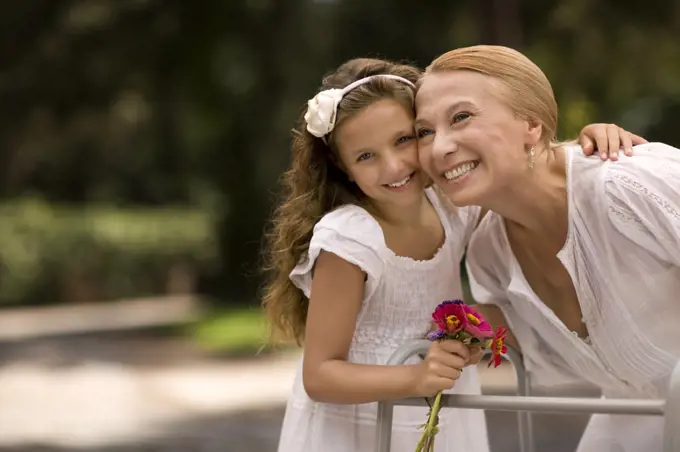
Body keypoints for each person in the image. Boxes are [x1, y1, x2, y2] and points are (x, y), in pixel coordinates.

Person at [262, 56, 641, 452]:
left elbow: (518, 170)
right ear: (343, 166)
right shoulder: (350, 240)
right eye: (366, 156)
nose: (393, 166)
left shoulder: (451, 205)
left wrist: (585, 146)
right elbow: (321, 376)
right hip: (361, 424)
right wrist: (416, 377)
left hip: (443, 408)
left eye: (403, 140)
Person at [415, 44, 680, 452]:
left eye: (462, 117)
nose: (438, 148)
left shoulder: (627, 184)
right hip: (639, 417)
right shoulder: (490, 254)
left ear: (532, 125)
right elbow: (517, 334)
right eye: (424, 132)